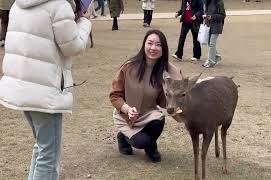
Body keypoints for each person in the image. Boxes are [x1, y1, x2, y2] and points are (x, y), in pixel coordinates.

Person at [0, 0, 92, 179]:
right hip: (44, 91)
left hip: (22, 88)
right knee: (49, 154)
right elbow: (73, 47)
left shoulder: (18, 5)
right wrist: (85, 22)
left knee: (42, 147)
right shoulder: (59, 6)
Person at [109, 29, 181, 162]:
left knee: (158, 120)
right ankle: (123, 136)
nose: (153, 48)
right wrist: (126, 109)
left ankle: (151, 147)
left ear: (163, 49)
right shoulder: (129, 67)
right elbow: (115, 95)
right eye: (150, 43)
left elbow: (163, 102)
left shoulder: (163, 72)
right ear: (144, 45)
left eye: (158, 45)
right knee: (141, 142)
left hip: (148, 114)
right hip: (127, 115)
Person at [202, 0, 226, 68]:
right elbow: (205, 11)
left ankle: (211, 61)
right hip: (208, 25)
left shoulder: (219, 2)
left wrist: (212, 17)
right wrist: (205, 16)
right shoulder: (206, 2)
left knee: (212, 43)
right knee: (209, 43)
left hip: (216, 26)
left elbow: (222, 15)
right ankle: (217, 57)